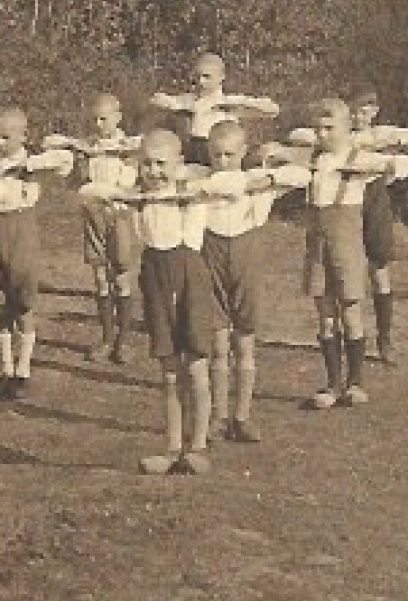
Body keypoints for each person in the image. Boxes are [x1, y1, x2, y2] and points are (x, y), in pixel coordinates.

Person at [264, 99, 408, 410]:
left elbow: (405, 164)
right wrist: (272, 154)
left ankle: (356, 382)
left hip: (346, 243)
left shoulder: (358, 159)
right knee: (325, 314)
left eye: (330, 128)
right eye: (319, 128)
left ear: (347, 129)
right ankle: (332, 384)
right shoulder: (313, 158)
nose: (323, 134)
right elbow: (279, 155)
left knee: (350, 310)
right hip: (317, 244)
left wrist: (387, 166)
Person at [82, 130, 219, 476]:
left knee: (196, 365)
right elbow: (88, 193)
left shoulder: (191, 192)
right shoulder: (138, 197)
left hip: (190, 277)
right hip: (156, 277)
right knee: (169, 369)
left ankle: (199, 445)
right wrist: (128, 193)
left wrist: (181, 182)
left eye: (162, 164)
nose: (154, 171)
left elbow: (214, 178)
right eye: (147, 164)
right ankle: (173, 448)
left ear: (178, 164)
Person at [289, 88, 408, 365]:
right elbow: (298, 137)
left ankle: (384, 339)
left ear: (374, 112)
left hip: (371, 198)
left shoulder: (377, 135)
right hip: (339, 206)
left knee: (378, 265)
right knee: (337, 272)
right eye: (355, 111)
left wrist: (383, 146)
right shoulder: (329, 141)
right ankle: (346, 348)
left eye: (366, 110)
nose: (360, 116)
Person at [192, 121, 310, 444]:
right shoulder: (203, 182)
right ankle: (218, 416)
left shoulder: (254, 184)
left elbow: (303, 175)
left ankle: (242, 416)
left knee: (244, 342)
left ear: (243, 153)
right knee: (217, 344)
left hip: (247, 265)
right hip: (211, 264)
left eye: (230, 154)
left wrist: (268, 176)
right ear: (208, 154)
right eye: (216, 155)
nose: (223, 161)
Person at [0, 107, 75, 400]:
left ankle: (24, 369)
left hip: (19, 229)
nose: (0, 143)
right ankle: (7, 369)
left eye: (7, 138)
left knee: (22, 300)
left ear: (23, 136)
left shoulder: (32, 162)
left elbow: (66, 160)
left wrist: (32, 163)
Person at [45, 93, 143, 363]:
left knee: (121, 275)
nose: (99, 124)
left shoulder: (129, 147)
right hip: (93, 214)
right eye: (95, 119)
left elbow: (130, 181)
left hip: (118, 215)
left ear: (118, 117)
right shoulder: (87, 147)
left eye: (104, 118)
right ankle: (107, 338)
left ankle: (124, 341)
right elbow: (77, 179)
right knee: (100, 277)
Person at [150, 52, 280, 166]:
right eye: (197, 76)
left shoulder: (228, 101)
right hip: (194, 152)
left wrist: (236, 107)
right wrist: (179, 106)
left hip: (222, 153)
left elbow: (272, 110)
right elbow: (156, 100)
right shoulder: (189, 100)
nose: (201, 82)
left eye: (207, 76)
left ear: (221, 77)